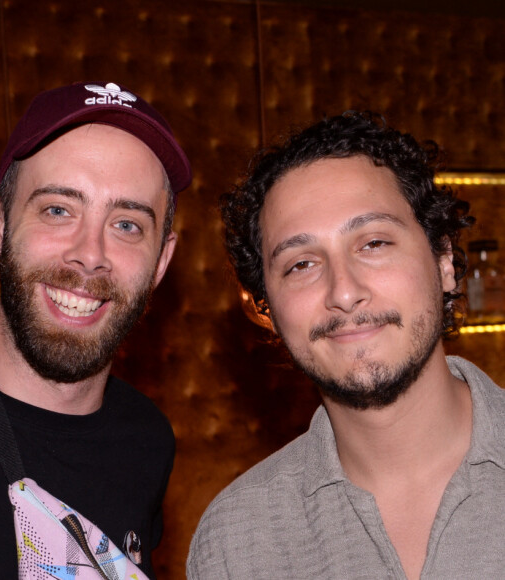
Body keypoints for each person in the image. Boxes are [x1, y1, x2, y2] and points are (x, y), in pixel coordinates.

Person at [187, 111, 505, 579]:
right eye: (301, 264)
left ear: (443, 261)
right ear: (268, 308)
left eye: (374, 243)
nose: (343, 291)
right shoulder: (236, 540)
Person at [0, 81, 191, 578]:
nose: (91, 253)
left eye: (127, 225)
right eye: (58, 210)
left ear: (161, 261)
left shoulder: (147, 440)